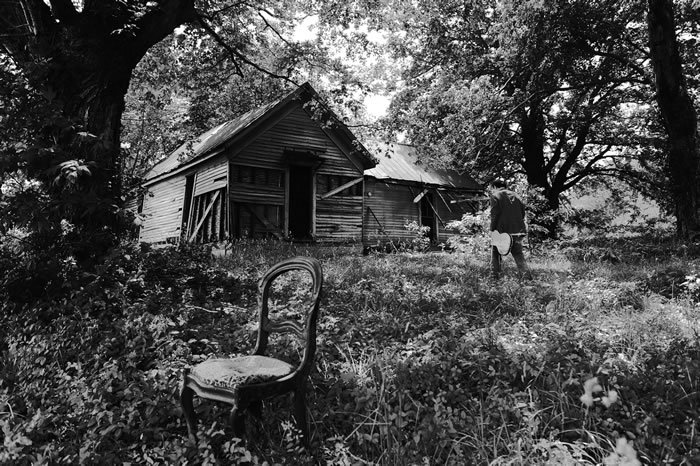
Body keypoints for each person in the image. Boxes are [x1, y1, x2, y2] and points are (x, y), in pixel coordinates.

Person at [489, 179, 531, 279]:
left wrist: (492, 229)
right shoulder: (517, 196)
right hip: (518, 231)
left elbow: (494, 215)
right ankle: (527, 278)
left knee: (496, 254)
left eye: (491, 188)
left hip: (502, 231)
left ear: (494, 187)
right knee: (518, 255)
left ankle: (494, 278)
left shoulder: (495, 196)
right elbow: (522, 213)